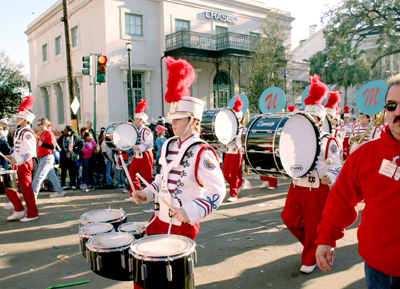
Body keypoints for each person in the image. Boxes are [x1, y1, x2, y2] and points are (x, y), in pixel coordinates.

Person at [132, 57, 225, 288]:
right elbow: (162, 180)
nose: (172, 123)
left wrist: (191, 210)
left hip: (182, 225)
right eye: (171, 119)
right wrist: (146, 193)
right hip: (158, 220)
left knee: (173, 281)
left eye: (178, 119)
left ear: (193, 121)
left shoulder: (203, 152)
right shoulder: (169, 145)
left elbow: (218, 190)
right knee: (143, 277)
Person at [315, 74, 400, 288]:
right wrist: (326, 238)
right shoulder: (365, 155)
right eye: (392, 106)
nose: (398, 112)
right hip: (378, 271)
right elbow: (341, 198)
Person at [280, 75, 342, 274]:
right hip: (298, 184)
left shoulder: (328, 140)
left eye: (313, 119)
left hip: (317, 187)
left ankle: (309, 258)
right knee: (289, 218)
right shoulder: (295, 138)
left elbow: (337, 166)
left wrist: (330, 177)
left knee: (315, 224)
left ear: (320, 120)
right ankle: (309, 243)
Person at [4, 95, 39, 222]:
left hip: (24, 163)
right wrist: (12, 156)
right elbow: (19, 149)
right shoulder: (20, 131)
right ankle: (18, 210)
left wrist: (17, 160)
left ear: (25, 120)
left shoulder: (28, 133)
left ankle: (33, 213)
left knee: (26, 189)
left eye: (19, 117)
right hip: (18, 163)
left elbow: (29, 152)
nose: (17, 119)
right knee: (10, 187)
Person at [125, 99, 154, 202]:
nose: (135, 120)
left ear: (142, 120)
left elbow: (150, 143)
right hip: (136, 155)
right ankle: (135, 194)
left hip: (145, 154)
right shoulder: (135, 130)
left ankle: (149, 196)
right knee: (131, 174)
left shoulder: (146, 131)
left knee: (147, 176)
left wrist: (140, 147)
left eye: (137, 119)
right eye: (135, 118)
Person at [32, 118, 65, 198]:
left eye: (39, 125)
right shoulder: (43, 133)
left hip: (47, 157)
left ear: (44, 125)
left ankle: (33, 194)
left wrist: (42, 144)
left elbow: (52, 146)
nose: (38, 126)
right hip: (44, 157)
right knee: (52, 176)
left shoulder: (49, 133)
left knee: (39, 176)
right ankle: (60, 192)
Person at [222, 95, 245, 202]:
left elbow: (243, 140)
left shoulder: (241, 129)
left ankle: (234, 193)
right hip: (228, 152)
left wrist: (239, 145)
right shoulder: (228, 128)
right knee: (225, 172)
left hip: (237, 152)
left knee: (235, 173)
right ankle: (239, 184)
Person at [57, 125, 84, 190]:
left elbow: (82, 144)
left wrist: (75, 151)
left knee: (72, 172)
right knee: (63, 171)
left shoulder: (74, 137)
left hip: (72, 158)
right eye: (65, 130)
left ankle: (73, 184)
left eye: (67, 130)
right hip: (64, 157)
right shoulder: (61, 138)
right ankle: (63, 184)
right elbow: (57, 145)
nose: (65, 131)